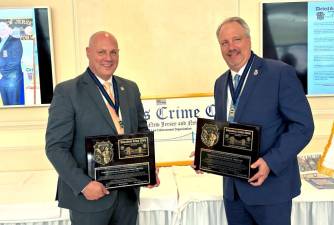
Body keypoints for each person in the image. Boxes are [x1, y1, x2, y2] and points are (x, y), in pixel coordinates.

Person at [213, 17, 314, 225]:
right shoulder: (220, 83)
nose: (231, 47)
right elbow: (222, 129)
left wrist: (270, 162)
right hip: (234, 194)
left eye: (236, 39)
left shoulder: (279, 73)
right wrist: (207, 154)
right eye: (224, 43)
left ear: (249, 41)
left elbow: (303, 126)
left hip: (271, 191)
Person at [45, 31, 150, 225]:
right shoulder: (67, 92)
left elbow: (141, 133)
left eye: (113, 52)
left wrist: (147, 168)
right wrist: (84, 185)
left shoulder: (131, 89)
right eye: (101, 52)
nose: (108, 58)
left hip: (127, 197)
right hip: (89, 200)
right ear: (88, 52)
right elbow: (55, 148)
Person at [0, 21, 24, 105]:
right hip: (3, 78)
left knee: (14, 106)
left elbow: (15, 61)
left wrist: (2, 68)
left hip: (13, 78)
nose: (1, 30)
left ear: (8, 29)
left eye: (3, 28)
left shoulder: (15, 41)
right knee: (5, 106)